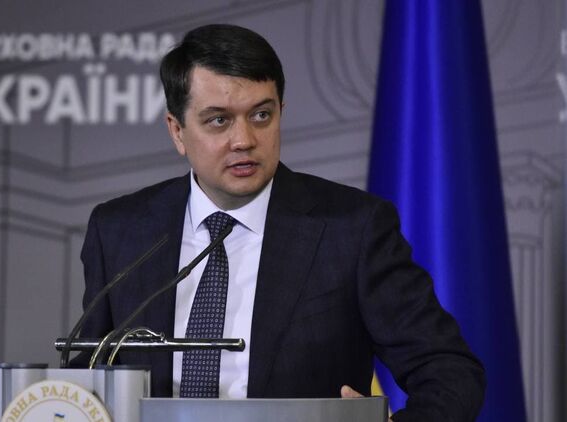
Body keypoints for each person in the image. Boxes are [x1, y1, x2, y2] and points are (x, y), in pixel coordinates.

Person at [78, 24, 485, 421]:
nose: (244, 140)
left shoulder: (352, 229)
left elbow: (450, 371)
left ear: (280, 114)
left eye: (261, 115)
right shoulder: (120, 232)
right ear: (177, 131)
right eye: (219, 120)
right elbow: (88, 372)